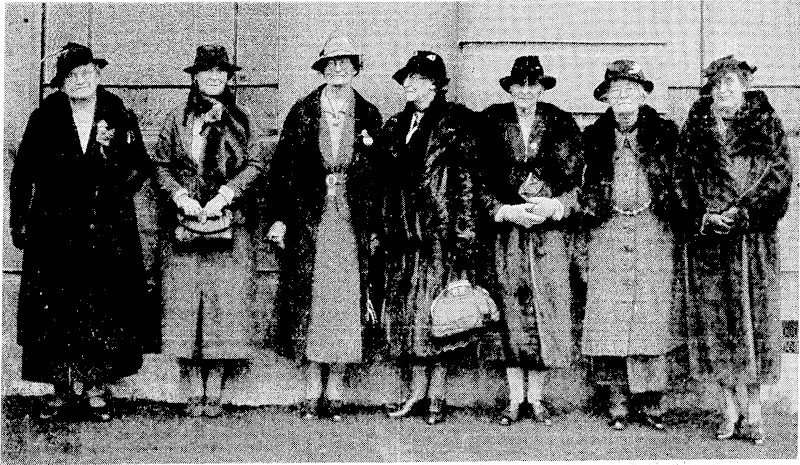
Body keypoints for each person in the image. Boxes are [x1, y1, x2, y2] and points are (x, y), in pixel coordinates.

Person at [10, 42, 154, 422]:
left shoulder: (117, 112)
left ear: (98, 74)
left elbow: (140, 164)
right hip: (54, 230)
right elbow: (23, 171)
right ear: (62, 82)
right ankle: (60, 388)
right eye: (72, 75)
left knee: (101, 306)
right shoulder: (45, 115)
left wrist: (117, 194)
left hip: (105, 229)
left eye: (87, 72)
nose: (81, 80)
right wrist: (20, 220)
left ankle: (95, 387)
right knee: (55, 308)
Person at [266, 33, 384, 421]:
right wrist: (280, 218)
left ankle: (335, 389)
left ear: (354, 69)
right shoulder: (302, 112)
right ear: (322, 69)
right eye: (331, 64)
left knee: (345, 301)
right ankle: (310, 387)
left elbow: (380, 179)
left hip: (352, 219)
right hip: (310, 219)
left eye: (345, 63)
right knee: (312, 299)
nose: (338, 70)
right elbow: (282, 171)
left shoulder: (369, 114)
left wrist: (376, 226)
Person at [679, 55, 792, 444]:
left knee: (753, 320)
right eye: (718, 84)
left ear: (744, 88)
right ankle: (729, 410)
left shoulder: (766, 125)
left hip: (752, 242)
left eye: (732, 83)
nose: (725, 90)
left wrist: (743, 213)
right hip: (710, 244)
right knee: (718, 322)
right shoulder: (695, 131)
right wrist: (705, 216)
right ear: (710, 89)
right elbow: (681, 184)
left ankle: (756, 413)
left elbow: (779, 178)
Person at [152, 45, 264, 417]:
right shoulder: (176, 119)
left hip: (228, 224)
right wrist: (180, 195)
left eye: (221, 72)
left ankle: (214, 390)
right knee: (185, 307)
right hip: (184, 225)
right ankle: (190, 392)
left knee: (223, 307)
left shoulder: (243, 118)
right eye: (207, 72)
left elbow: (257, 164)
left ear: (228, 78)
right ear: (195, 77)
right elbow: (161, 164)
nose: (214, 78)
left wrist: (226, 195)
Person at [580, 60, 685, 431]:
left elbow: (683, 182)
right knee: (609, 310)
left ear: (643, 95)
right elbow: (583, 186)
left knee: (650, 310)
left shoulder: (666, 134)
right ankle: (617, 398)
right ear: (606, 98)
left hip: (654, 227)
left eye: (631, 90)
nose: (623, 97)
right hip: (607, 228)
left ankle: (651, 398)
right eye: (616, 91)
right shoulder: (592, 137)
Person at [478, 56, 583, 426]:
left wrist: (556, 205)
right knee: (511, 305)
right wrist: (504, 210)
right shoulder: (491, 121)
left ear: (541, 88)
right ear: (509, 88)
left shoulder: (560, 121)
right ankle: (513, 398)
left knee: (546, 307)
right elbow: (476, 179)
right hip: (507, 231)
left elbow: (578, 179)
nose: (525, 92)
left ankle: (536, 398)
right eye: (518, 85)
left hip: (549, 233)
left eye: (532, 85)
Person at [383, 51, 481, 425]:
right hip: (404, 235)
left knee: (439, 316)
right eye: (407, 77)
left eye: (417, 78)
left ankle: (437, 396)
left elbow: (467, 185)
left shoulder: (457, 123)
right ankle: (415, 393)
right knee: (409, 315)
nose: (408, 83)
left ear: (436, 84)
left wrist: (465, 237)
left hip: (441, 236)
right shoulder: (397, 124)